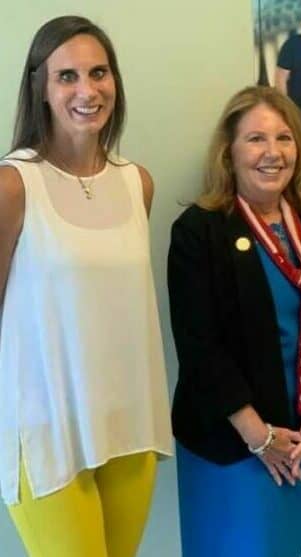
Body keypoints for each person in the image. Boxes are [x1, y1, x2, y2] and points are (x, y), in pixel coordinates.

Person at [0, 15, 173, 557]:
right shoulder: (13, 183)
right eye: (67, 76)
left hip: (129, 425)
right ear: (41, 89)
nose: (87, 90)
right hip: (46, 429)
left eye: (98, 73)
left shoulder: (135, 181)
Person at [168, 85, 301, 557]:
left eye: (284, 138)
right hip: (233, 445)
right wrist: (259, 437)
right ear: (228, 152)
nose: (273, 153)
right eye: (255, 139)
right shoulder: (199, 231)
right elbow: (199, 348)